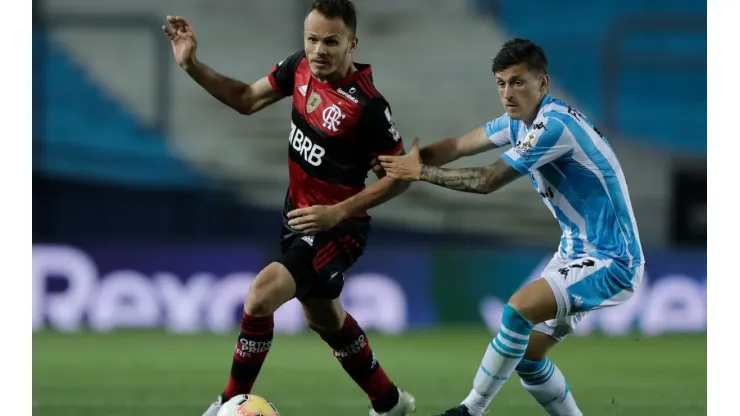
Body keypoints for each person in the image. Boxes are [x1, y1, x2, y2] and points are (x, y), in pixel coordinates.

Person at [162, 1, 416, 415]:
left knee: (260, 295)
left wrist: (339, 212)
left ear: (352, 43)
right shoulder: (299, 68)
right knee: (325, 321)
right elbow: (245, 98)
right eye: (312, 39)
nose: (318, 50)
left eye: (331, 41)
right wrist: (192, 65)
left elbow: (402, 175)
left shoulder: (368, 106)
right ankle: (389, 403)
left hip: (338, 228)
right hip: (297, 217)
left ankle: (227, 406)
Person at [379, 38, 644, 416]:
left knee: (516, 312)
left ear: (543, 83)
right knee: (527, 357)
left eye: (518, 82)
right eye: (501, 83)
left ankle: (471, 409)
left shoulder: (553, 126)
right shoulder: (518, 122)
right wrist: (400, 160)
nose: (507, 93)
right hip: (575, 251)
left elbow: (487, 179)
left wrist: (419, 172)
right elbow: (457, 145)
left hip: (613, 258)